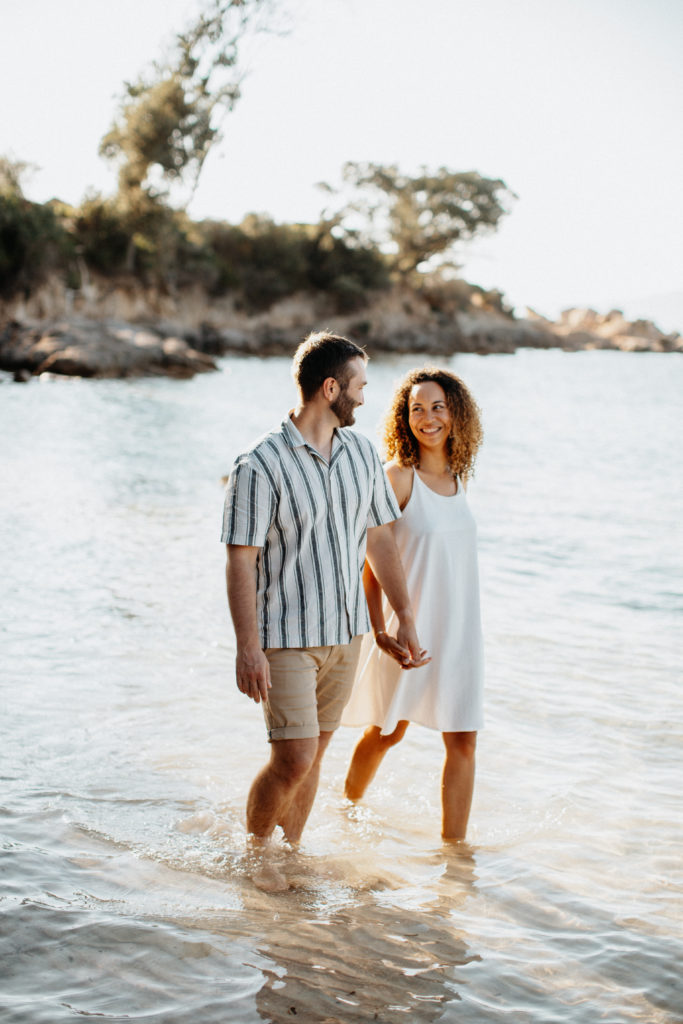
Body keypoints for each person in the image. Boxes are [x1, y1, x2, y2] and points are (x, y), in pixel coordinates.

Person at [221, 332, 427, 886]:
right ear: (330, 388)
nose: (364, 397)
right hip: (285, 636)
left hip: (347, 634)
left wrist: (402, 616)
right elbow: (240, 563)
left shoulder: (362, 454)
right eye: (359, 386)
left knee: (313, 757)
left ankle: (291, 853)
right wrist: (247, 648)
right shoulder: (259, 465)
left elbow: (380, 538)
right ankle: (256, 855)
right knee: (292, 758)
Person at [342, 367, 484, 841]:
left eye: (438, 407)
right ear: (405, 418)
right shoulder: (399, 478)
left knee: (463, 740)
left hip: (459, 632)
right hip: (409, 629)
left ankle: (455, 859)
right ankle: (348, 812)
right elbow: (370, 556)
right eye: (417, 408)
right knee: (388, 731)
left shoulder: (459, 478)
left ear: (455, 413)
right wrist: (379, 628)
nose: (428, 418)